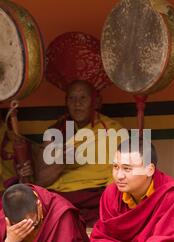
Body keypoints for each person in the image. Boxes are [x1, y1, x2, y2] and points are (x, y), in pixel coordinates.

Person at [15, 32, 124, 227]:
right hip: (63, 196)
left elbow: (122, 174)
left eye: (83, 98)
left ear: (95, 101)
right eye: (72, 99)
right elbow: (42, 180)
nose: (77, 104)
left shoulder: (112, 130)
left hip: (97, 194)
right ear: (66, 102)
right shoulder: (56, 132)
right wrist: (62, 161)